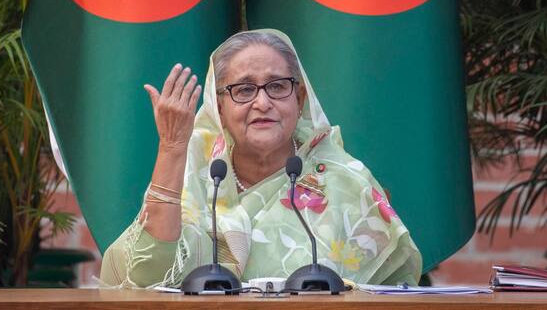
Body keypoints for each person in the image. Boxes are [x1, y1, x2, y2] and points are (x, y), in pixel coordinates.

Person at [99, 29, 421, 288]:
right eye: (244, 89)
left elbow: (395, 289)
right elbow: (147, 276)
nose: (263, 102)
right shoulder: (195, 171)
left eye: (277, 86)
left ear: (300, 99)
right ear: (220, 108)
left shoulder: (344, 182)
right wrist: (171, 147)